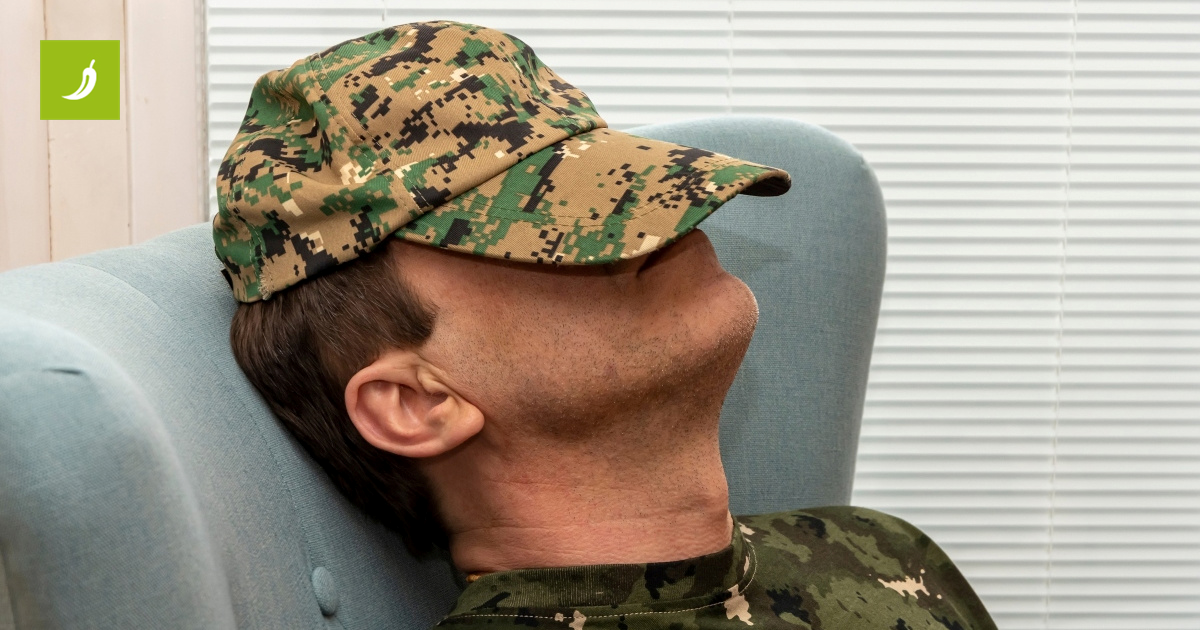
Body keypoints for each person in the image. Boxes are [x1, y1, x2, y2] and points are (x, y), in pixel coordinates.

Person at [213, 19, 998, 630]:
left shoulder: (881, 551)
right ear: (416, 403)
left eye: (623, 182)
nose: (665, 219)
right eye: (549, 221)